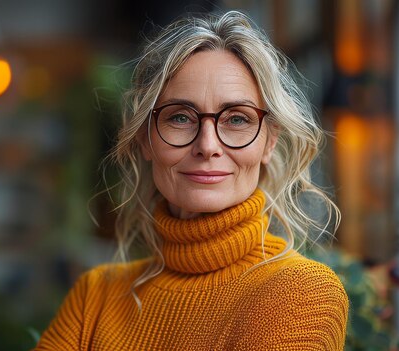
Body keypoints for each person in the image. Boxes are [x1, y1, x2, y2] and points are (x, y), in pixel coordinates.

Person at [35, 10, 348, 351]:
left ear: (269, 142)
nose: (208, 145)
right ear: (145, 138)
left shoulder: (300, 292)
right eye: (180, 117)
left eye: (237, 119)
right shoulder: (94, 297)